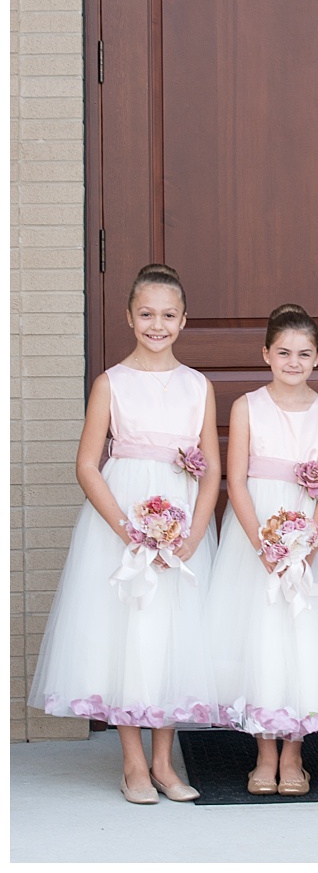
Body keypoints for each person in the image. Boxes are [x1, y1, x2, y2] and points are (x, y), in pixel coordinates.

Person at [28, 264, 220, 805]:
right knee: (127, 633)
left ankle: (165, 762)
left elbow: (210, 467)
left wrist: (196, 532)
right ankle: (133, 763)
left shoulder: (197, 386)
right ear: (128, 317)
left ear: (183, 320)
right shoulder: (111, 383)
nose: (156, 325)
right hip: (123, 521)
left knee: (171, 635)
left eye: (167, 315)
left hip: (180, 523)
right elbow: (88, 464)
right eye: (146, 314)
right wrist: (128, 529)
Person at [205, 304, 318, 797]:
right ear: (266, 353)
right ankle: (264, 752)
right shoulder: (247, 406)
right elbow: (234, 480)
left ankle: (294, 753)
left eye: (304, 353)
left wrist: (308, 545)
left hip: (307, 538)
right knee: (261, 640)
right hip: (256, 536)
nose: (293, 361)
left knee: (302, 641)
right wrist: (263, 542)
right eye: (283, 351)